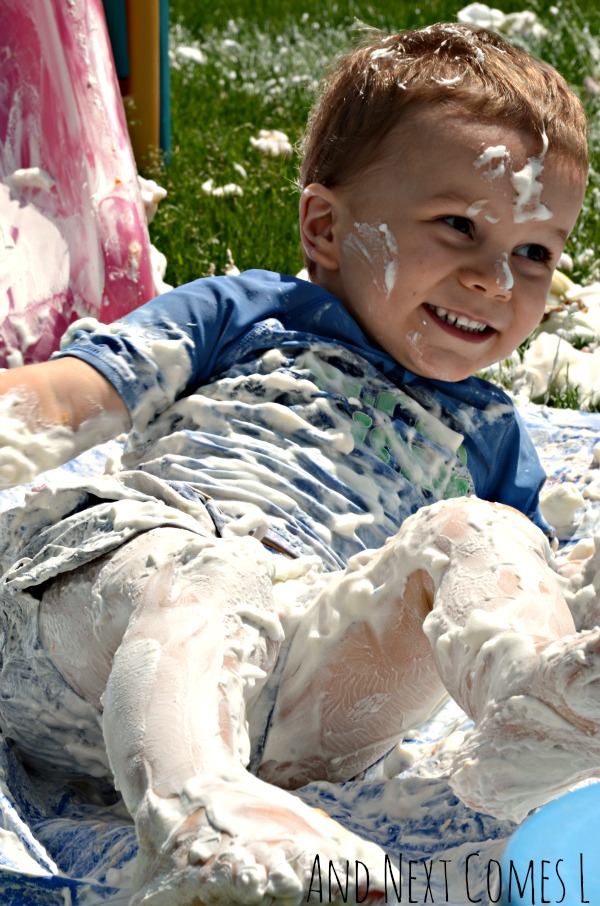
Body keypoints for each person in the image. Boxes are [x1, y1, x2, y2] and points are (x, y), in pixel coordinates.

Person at [0, 20, 597, 906]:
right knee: (216, 572)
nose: (495, 280)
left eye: (535, 253)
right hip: (108, 619)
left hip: (297, 696)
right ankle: (199, 819)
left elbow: (508, 580)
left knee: (486, 531)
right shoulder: (250, 314)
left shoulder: (493, 431)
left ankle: (536, 709)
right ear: (325, 224)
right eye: (460, 226)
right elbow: (65, 400)